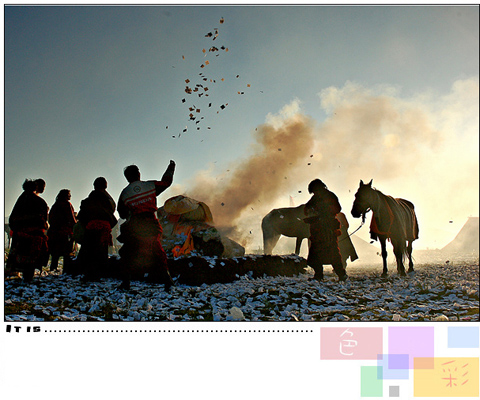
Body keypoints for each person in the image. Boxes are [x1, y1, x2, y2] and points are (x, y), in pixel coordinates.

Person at [117, 161, 176, 290]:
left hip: (135, 225)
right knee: (157, 250)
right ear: (138, 174)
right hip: (150, 223)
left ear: (126, 177)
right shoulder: (150, 186)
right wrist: (171, 168)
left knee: (128, 253)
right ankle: (168, 280)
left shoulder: (124, 193)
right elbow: (166, 182)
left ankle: (126, 282)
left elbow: (121, 213)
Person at [304, 179, 348, 282]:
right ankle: (318, 275)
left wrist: (324, 213)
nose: (314, 193)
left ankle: (342, 274)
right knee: (315, 254)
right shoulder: (315, 198)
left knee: (332, 254)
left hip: (328, 228)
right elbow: (307, 207)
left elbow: (337, 208)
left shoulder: (330, 196)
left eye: (315, 190)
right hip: (317, 230)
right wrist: (310, 211)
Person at [7, 179, 49, 282]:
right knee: (31, 258)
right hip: (34, 235)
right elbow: (42, 219)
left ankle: (16, 271)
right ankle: (28, 276)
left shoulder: (21, 199)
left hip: (20, 234)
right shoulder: (40, 202)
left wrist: (17, 229)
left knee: (20, 255)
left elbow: (12, 218)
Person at [77, 177, 117, 281]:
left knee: (89, 251)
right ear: (105, 186)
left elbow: (82, 215)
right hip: (104, 228)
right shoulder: (109, 200)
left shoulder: (89, 200)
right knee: (101, 251)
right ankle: (99, 273)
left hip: (91, 227)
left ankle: (89, 273)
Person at [48, 189, 77, 272]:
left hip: (54, 232)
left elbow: (51, 218)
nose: (70, 196)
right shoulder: (67, 204)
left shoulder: (55, 205)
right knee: (67, 252)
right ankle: (66, 269)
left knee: (55, 253)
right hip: (65, 232)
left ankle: (53, 268)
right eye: (69, 194)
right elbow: (71, 218)